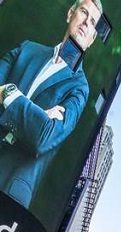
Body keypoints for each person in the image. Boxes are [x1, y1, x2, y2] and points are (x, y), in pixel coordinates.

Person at [0, 0, 101, 209]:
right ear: (70, 14)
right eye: (83, 12)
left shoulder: (79, 89)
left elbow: (43, 137)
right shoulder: (27, 49)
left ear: (92, 39)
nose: (86, 23)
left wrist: (7, 93)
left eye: (93, 22)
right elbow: (39, 126)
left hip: (8, 190)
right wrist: (36, 114)